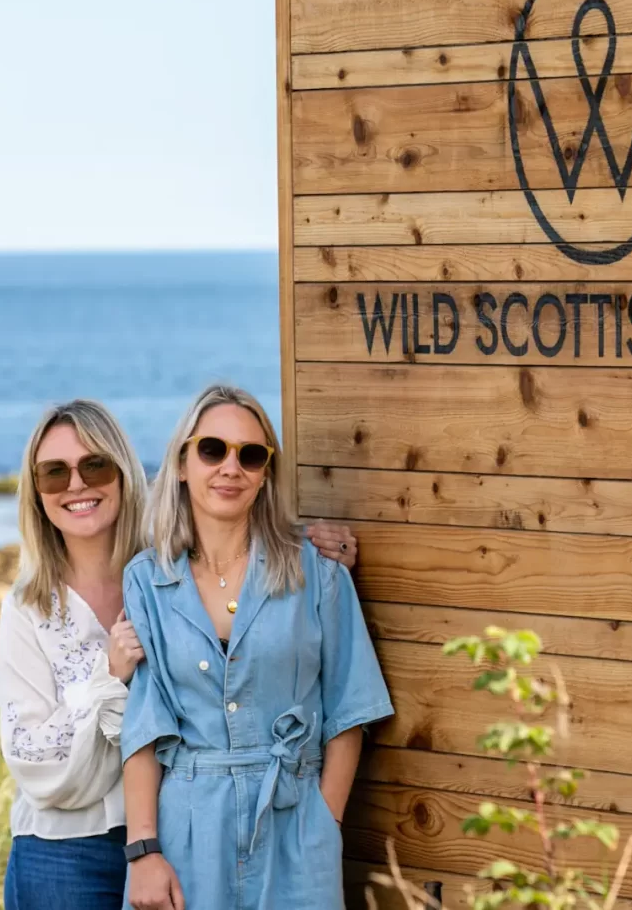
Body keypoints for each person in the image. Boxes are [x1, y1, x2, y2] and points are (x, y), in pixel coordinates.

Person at [0, 399, 360, 910]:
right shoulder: (28, 609)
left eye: (94, 465)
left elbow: (228, 536)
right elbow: (34, 762)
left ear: (124, 474)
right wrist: (108, 677)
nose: (77, 485)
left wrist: (311, 544)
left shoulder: (158, 569)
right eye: (55, 473)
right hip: (67, 851)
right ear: (37, 492)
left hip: (176, 836)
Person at [120, 385, 393, 910]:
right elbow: (143, 731)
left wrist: (324, 823)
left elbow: (349, 712)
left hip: (294, 825)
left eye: (250, 455)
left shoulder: (317, 570)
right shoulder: (146, 580)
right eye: (212, 449)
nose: (231, 468)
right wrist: (143, 851)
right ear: (181, 463)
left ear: (266, 472)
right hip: (186, 829)